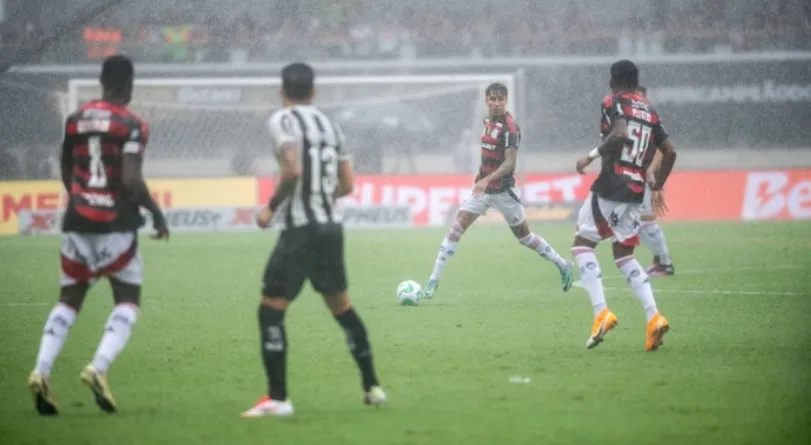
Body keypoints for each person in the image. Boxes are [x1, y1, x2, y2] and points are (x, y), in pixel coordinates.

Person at [242, 62, 386, 418]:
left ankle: (278, 398)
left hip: (300, 230)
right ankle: (372, 387)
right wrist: (320, 197)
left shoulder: (283, 120)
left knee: (270, 309)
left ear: (282, 91)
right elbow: (348, 185)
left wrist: (270, 208)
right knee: (342, 308)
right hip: (330, 229)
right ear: (314, 92)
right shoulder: (329, 124)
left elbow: (292, 169)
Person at [27, 54, 169, 416]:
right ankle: (98, 367)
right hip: (115, 223)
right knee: (127, 299)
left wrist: (80, 197)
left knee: (69, 300)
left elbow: (65, 165)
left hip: (77, 219)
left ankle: (41, 371)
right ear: (129, 84)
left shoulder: (75, 121)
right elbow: (132, 180)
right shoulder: (132, 124)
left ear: (102, 81)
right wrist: (155, 213)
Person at [420, 82, 572, 300]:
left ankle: (562, 263)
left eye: (500, 99)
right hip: (482, 191)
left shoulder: (511, 129)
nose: (496, 103)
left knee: (525, 237)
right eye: (493, 99)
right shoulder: (486, 122)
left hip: (504, 192)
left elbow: (510, 164)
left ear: (506, 101)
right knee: (457, 227)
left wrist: (487, 179)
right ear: (486, 101)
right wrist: (481, 181)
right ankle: (433, 280)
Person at [572, 60, 677, 352]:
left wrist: (589, 156)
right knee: (624, 254)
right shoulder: (649, 110)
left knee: (582, 244)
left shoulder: (613, 101)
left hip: (611, 182)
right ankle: (654, 316)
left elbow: (619, 134)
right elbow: (670, 151)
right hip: (635, 188)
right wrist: (656, 186)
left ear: (614, 80)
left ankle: (600, 313)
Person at [636, 86, 675, 276]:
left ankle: (665, 263)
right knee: (640, 220)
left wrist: (651, 171)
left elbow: (662, 149)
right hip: (637, 174)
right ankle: (660, 260)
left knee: (645, 220)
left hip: (647, 176)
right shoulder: (638, 116)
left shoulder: (648, 116)